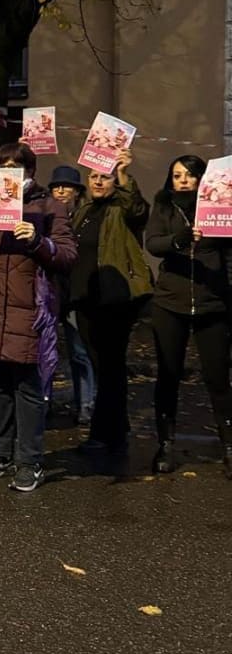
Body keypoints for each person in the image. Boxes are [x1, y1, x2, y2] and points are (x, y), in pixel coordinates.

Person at [0, 142, 77, 492]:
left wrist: (37, 241)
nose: (6, 172)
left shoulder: (49, 206)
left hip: (27, 308)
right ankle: (1, 453)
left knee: (27, 387)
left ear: (29, 171)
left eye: (14, 166)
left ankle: (30, 461)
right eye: (0, 166)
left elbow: (67, 255)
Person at [145, 154, 232, 476]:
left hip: (212, 304)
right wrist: (179, 240)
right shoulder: (164, 206)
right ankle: (165, 444)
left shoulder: (221, 206)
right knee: (169, 375)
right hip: (170, 303)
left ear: (202, 178)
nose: (183, 181)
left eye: (189, 175)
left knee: (218, 377)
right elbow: (153, 243)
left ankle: (229, 445)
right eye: (177, 175)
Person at [68, 150, 151, 462]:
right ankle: (117, 428)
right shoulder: (85, 209)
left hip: (114, 299)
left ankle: (104, 435)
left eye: (105, 177)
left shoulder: (121, 208)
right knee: (102, 366)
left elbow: (138, 209)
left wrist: (124, 174)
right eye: (94, 176)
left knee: (110, 367)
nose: (98, 182)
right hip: (85, 299)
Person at [48, 165, 96, 427]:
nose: (61, 191)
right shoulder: (45, 215)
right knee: (45, 351)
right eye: (56, 186)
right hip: (50, 290)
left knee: (79, 352)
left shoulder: (85, 217)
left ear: (77, 191)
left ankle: (85, 404)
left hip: (77, 293)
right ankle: (44, 403)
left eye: (66, 186)